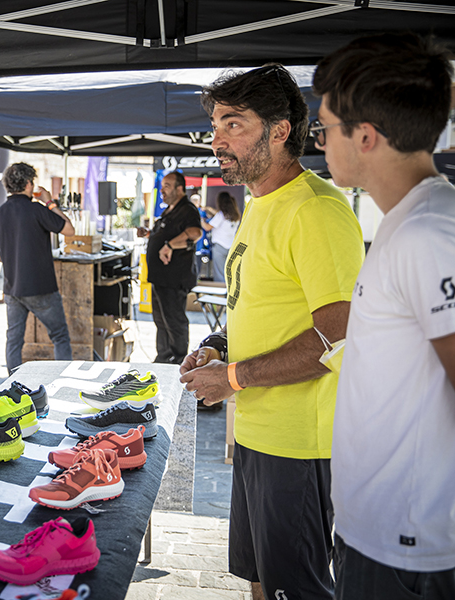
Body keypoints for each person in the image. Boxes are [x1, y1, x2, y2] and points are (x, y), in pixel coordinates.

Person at [178, 64, 364, 600]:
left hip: (300, 444)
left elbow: (337, 337)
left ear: (280, 130)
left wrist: (233, 377)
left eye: (233, 124)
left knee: (296, 590)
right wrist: (218, 346)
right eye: (215, 125)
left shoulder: (316, 209)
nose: (217, 140)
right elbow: (261, 307)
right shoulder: (261, 203)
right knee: (261, 581)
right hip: (257, 433)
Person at [312, 33, 455, 598]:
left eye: (325, 127)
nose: (320, 141)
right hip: (381, 535)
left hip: (408, 551)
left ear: (365, 136)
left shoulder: (429, 232)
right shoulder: (408, 221)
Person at [0, 162, 75, 373]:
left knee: (14, 340)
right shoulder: (37, 209)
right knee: (59, 336)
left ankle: (13, 383)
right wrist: (50, 202)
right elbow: (69, 230)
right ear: (29, 184)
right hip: (41, 287)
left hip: (12, 288)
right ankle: (64, 379)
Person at [136, 171, 202, 364]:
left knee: (174, 321)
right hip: (160, 277)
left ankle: (178, 360)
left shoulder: (187, 209)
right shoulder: (169, 210)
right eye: (162, 186)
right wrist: (149, 234)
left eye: (167, 186)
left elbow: (195, 232)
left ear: (179, 188)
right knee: (161, 321)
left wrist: (170, 245)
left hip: (174, 277)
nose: (162, 190)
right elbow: (166, 233)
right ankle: (164, 357)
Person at [200, 192, 241, 283]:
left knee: (219, 273)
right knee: (229, 271)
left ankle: (220, 290)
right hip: (231, 246)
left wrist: (200, 220)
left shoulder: (221, 215)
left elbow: (207, 227)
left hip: (219, 246)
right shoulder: (236, 216)